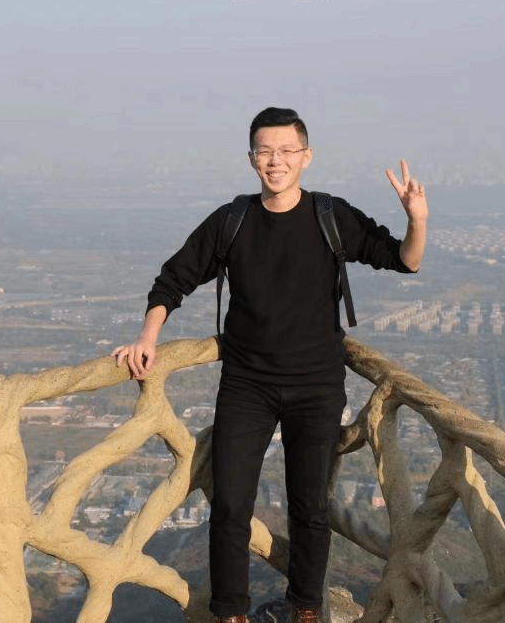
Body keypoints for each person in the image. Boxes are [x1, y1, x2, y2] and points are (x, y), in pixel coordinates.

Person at [112, 107, 428, 623]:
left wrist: (417, 220)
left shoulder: (331, 216)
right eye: (264, 151)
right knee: (230, 505)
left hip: (316, 383)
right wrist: (148, 337)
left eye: (286, 151)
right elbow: (173, 279)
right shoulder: (232, 221)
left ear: (307, 157)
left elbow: (405, 259)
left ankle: (305, 608)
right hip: (247, 384)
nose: (275, 161)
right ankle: (230, 613)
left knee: (310, 507)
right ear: (251, 159)